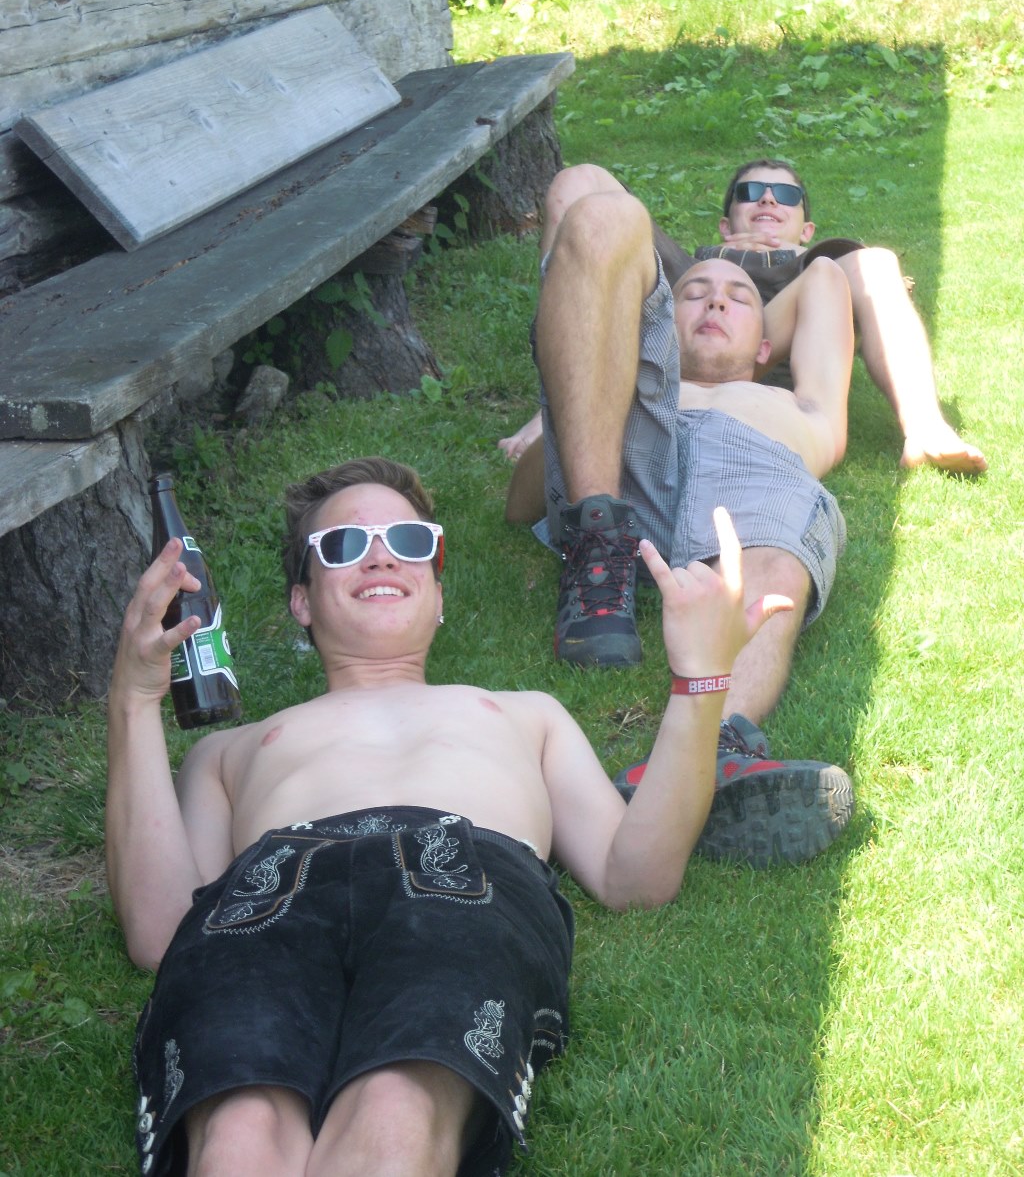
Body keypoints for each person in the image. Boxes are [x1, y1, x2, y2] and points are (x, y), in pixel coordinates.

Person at [106, 455, 799, 1177]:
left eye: (410, 542)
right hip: (272, 886)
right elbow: (160, 930)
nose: (381, 556)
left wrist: (701, 679)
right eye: (343, 545)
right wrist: (134, 698)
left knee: (397, 1111)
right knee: (239, 1131)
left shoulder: (525, 716)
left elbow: (635, 877)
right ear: (301, 601)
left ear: (438, 593)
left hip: (456, 879)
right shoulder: (229, 750)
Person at [504, 173, 855, 865]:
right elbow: (520, 504)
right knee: (599, 209)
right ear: (657, 328)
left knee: (775, 558)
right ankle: (598, 546)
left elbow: (825, 281)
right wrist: (570, 410)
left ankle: (714, 746)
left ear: (768, 348)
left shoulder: (803, 406)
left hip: (753, 474)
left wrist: (761, 258)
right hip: (622, 462)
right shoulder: (616, 400)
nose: (715, 300)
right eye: (692, 293)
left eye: (739, 299)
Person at [500, 160, 986, 475]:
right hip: (684, 304)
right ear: (725, 223)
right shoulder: (689, 265)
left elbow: (855, 287)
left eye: (786, 196)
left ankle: (924, 426)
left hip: (777, 322)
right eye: (752, 191)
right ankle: (564, 403)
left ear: (806, 227)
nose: (769, 200)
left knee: (876, 262)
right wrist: (712, 271)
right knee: (577, 182)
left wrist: (800, 260)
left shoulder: (818, 261)